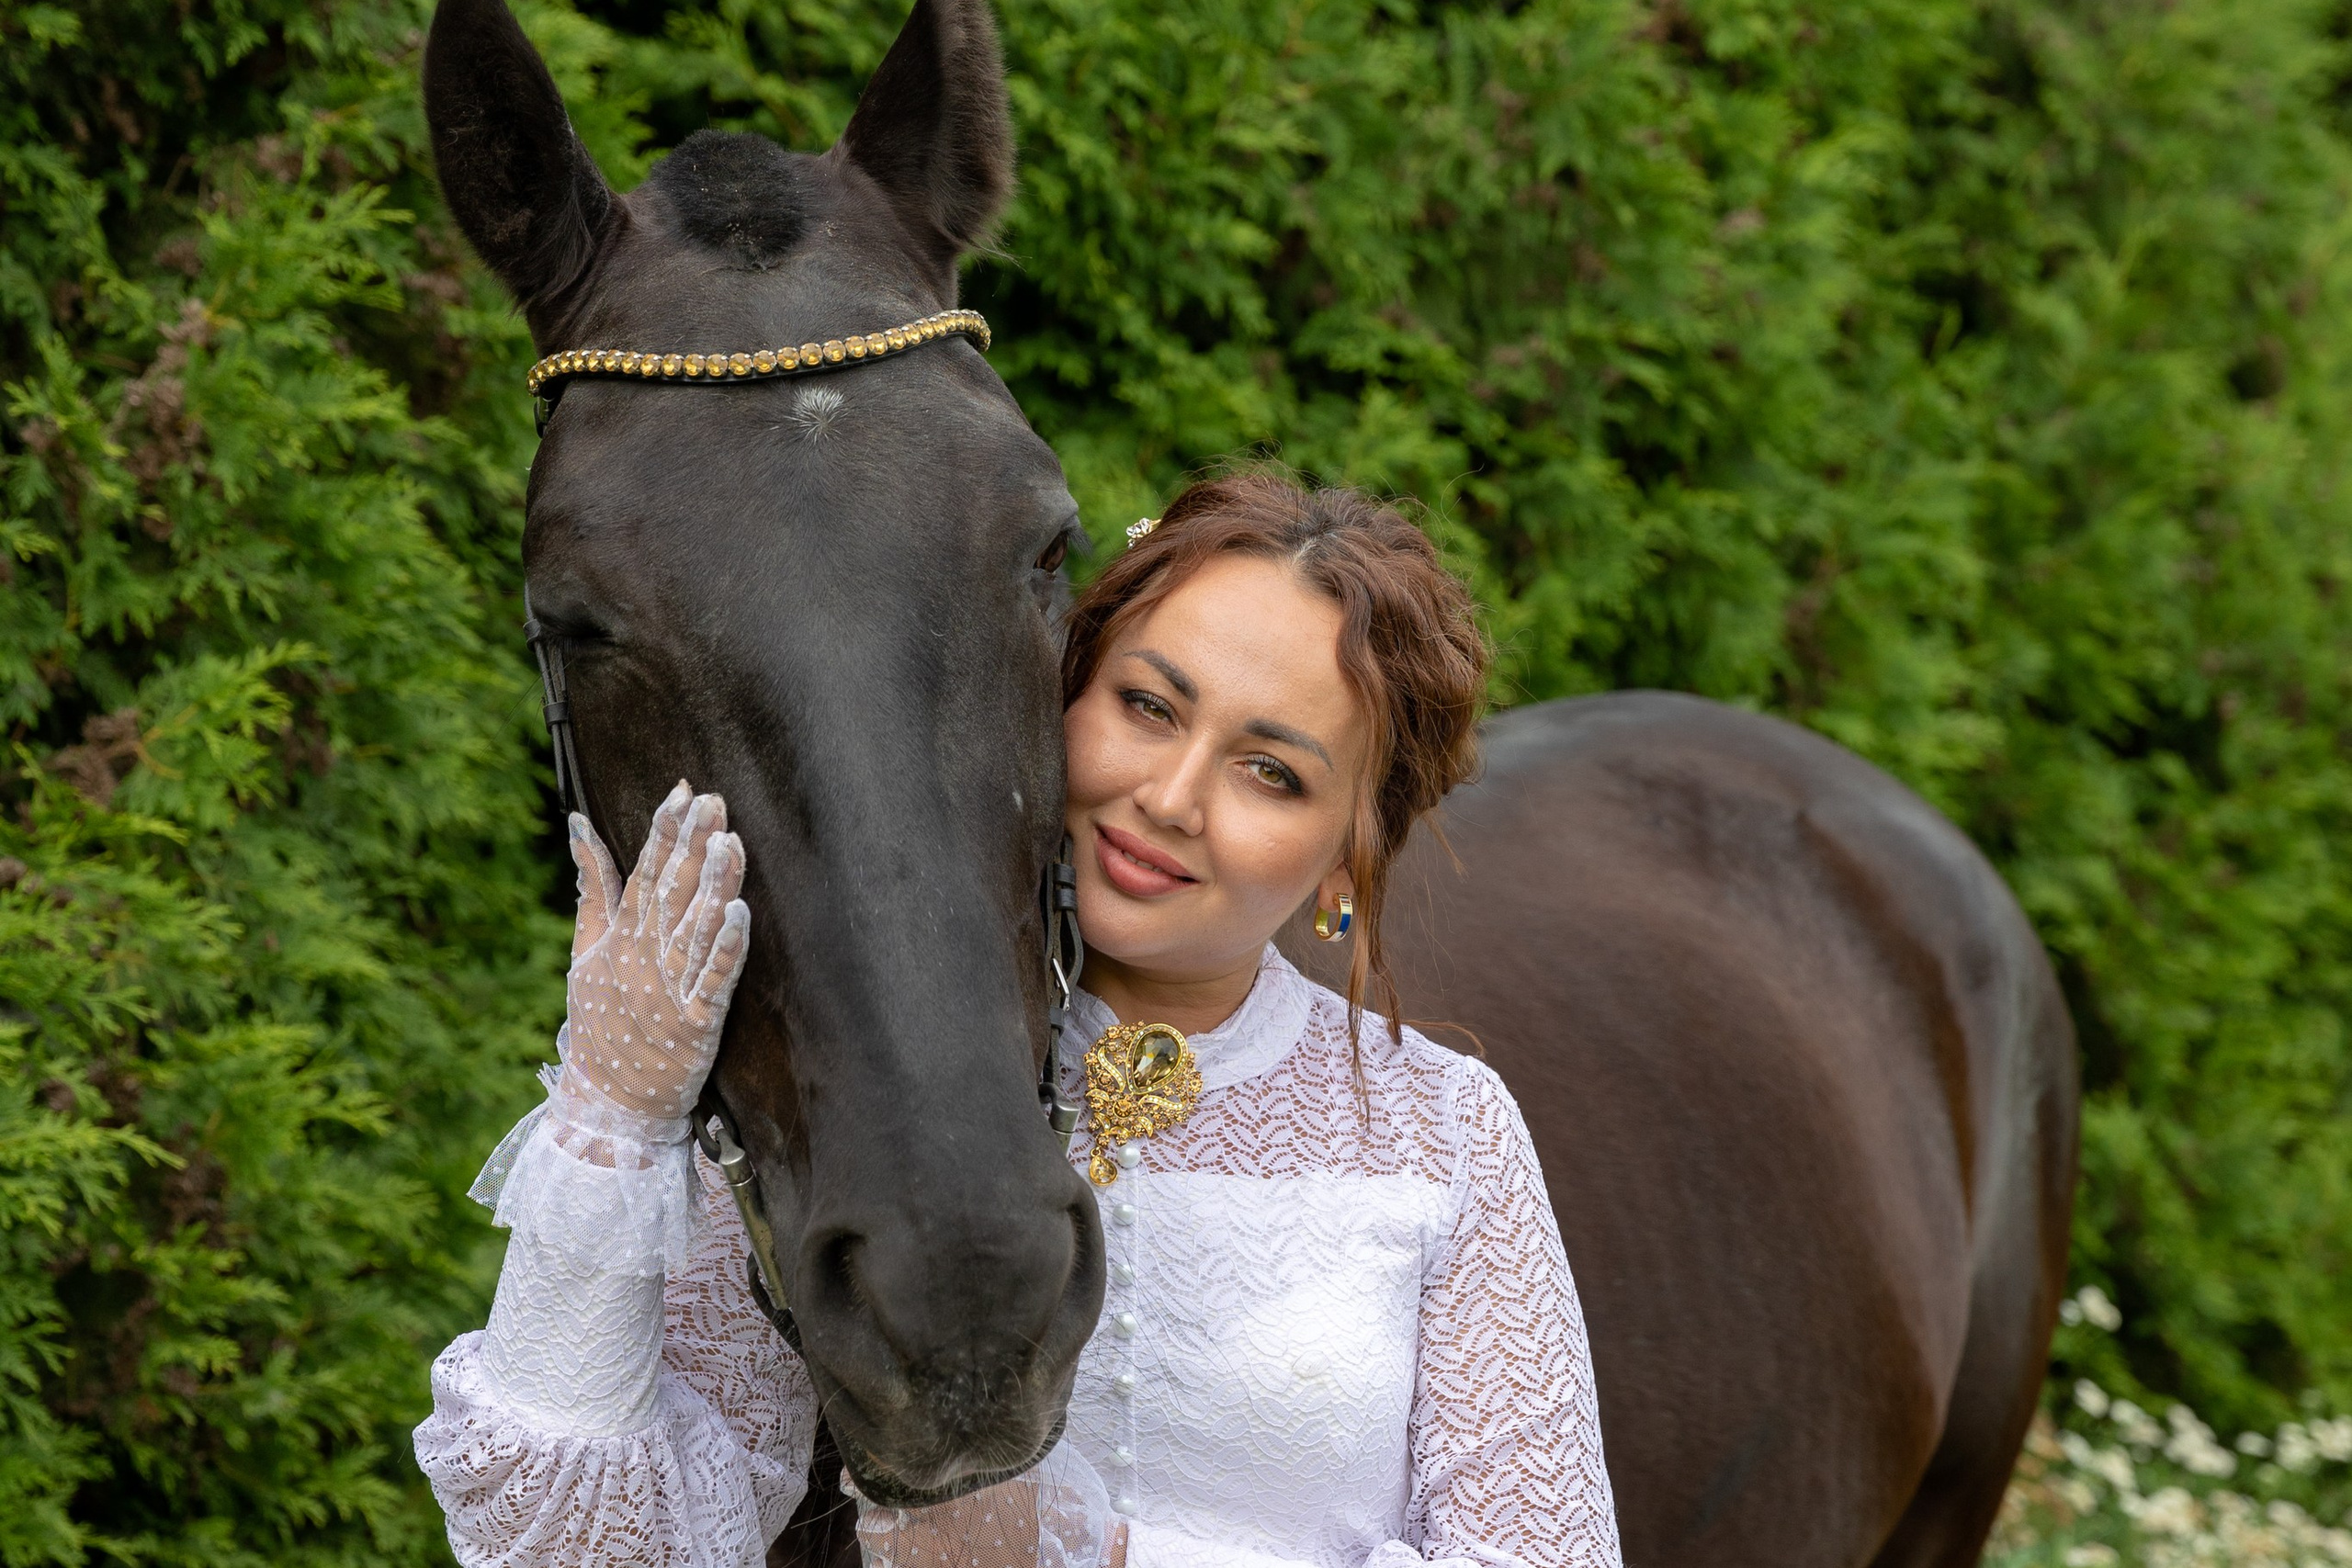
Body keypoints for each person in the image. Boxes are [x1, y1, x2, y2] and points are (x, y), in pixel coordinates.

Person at [413, 472, 1623, 1568]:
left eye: (1272, 771)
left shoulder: (1441, 1129)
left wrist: (1085, 1556)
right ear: (1055, 691)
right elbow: (576, 1555)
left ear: (1350, 856)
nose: (1171, 797)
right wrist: (612, 1110)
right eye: (1149, 707)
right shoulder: (854, 1060)